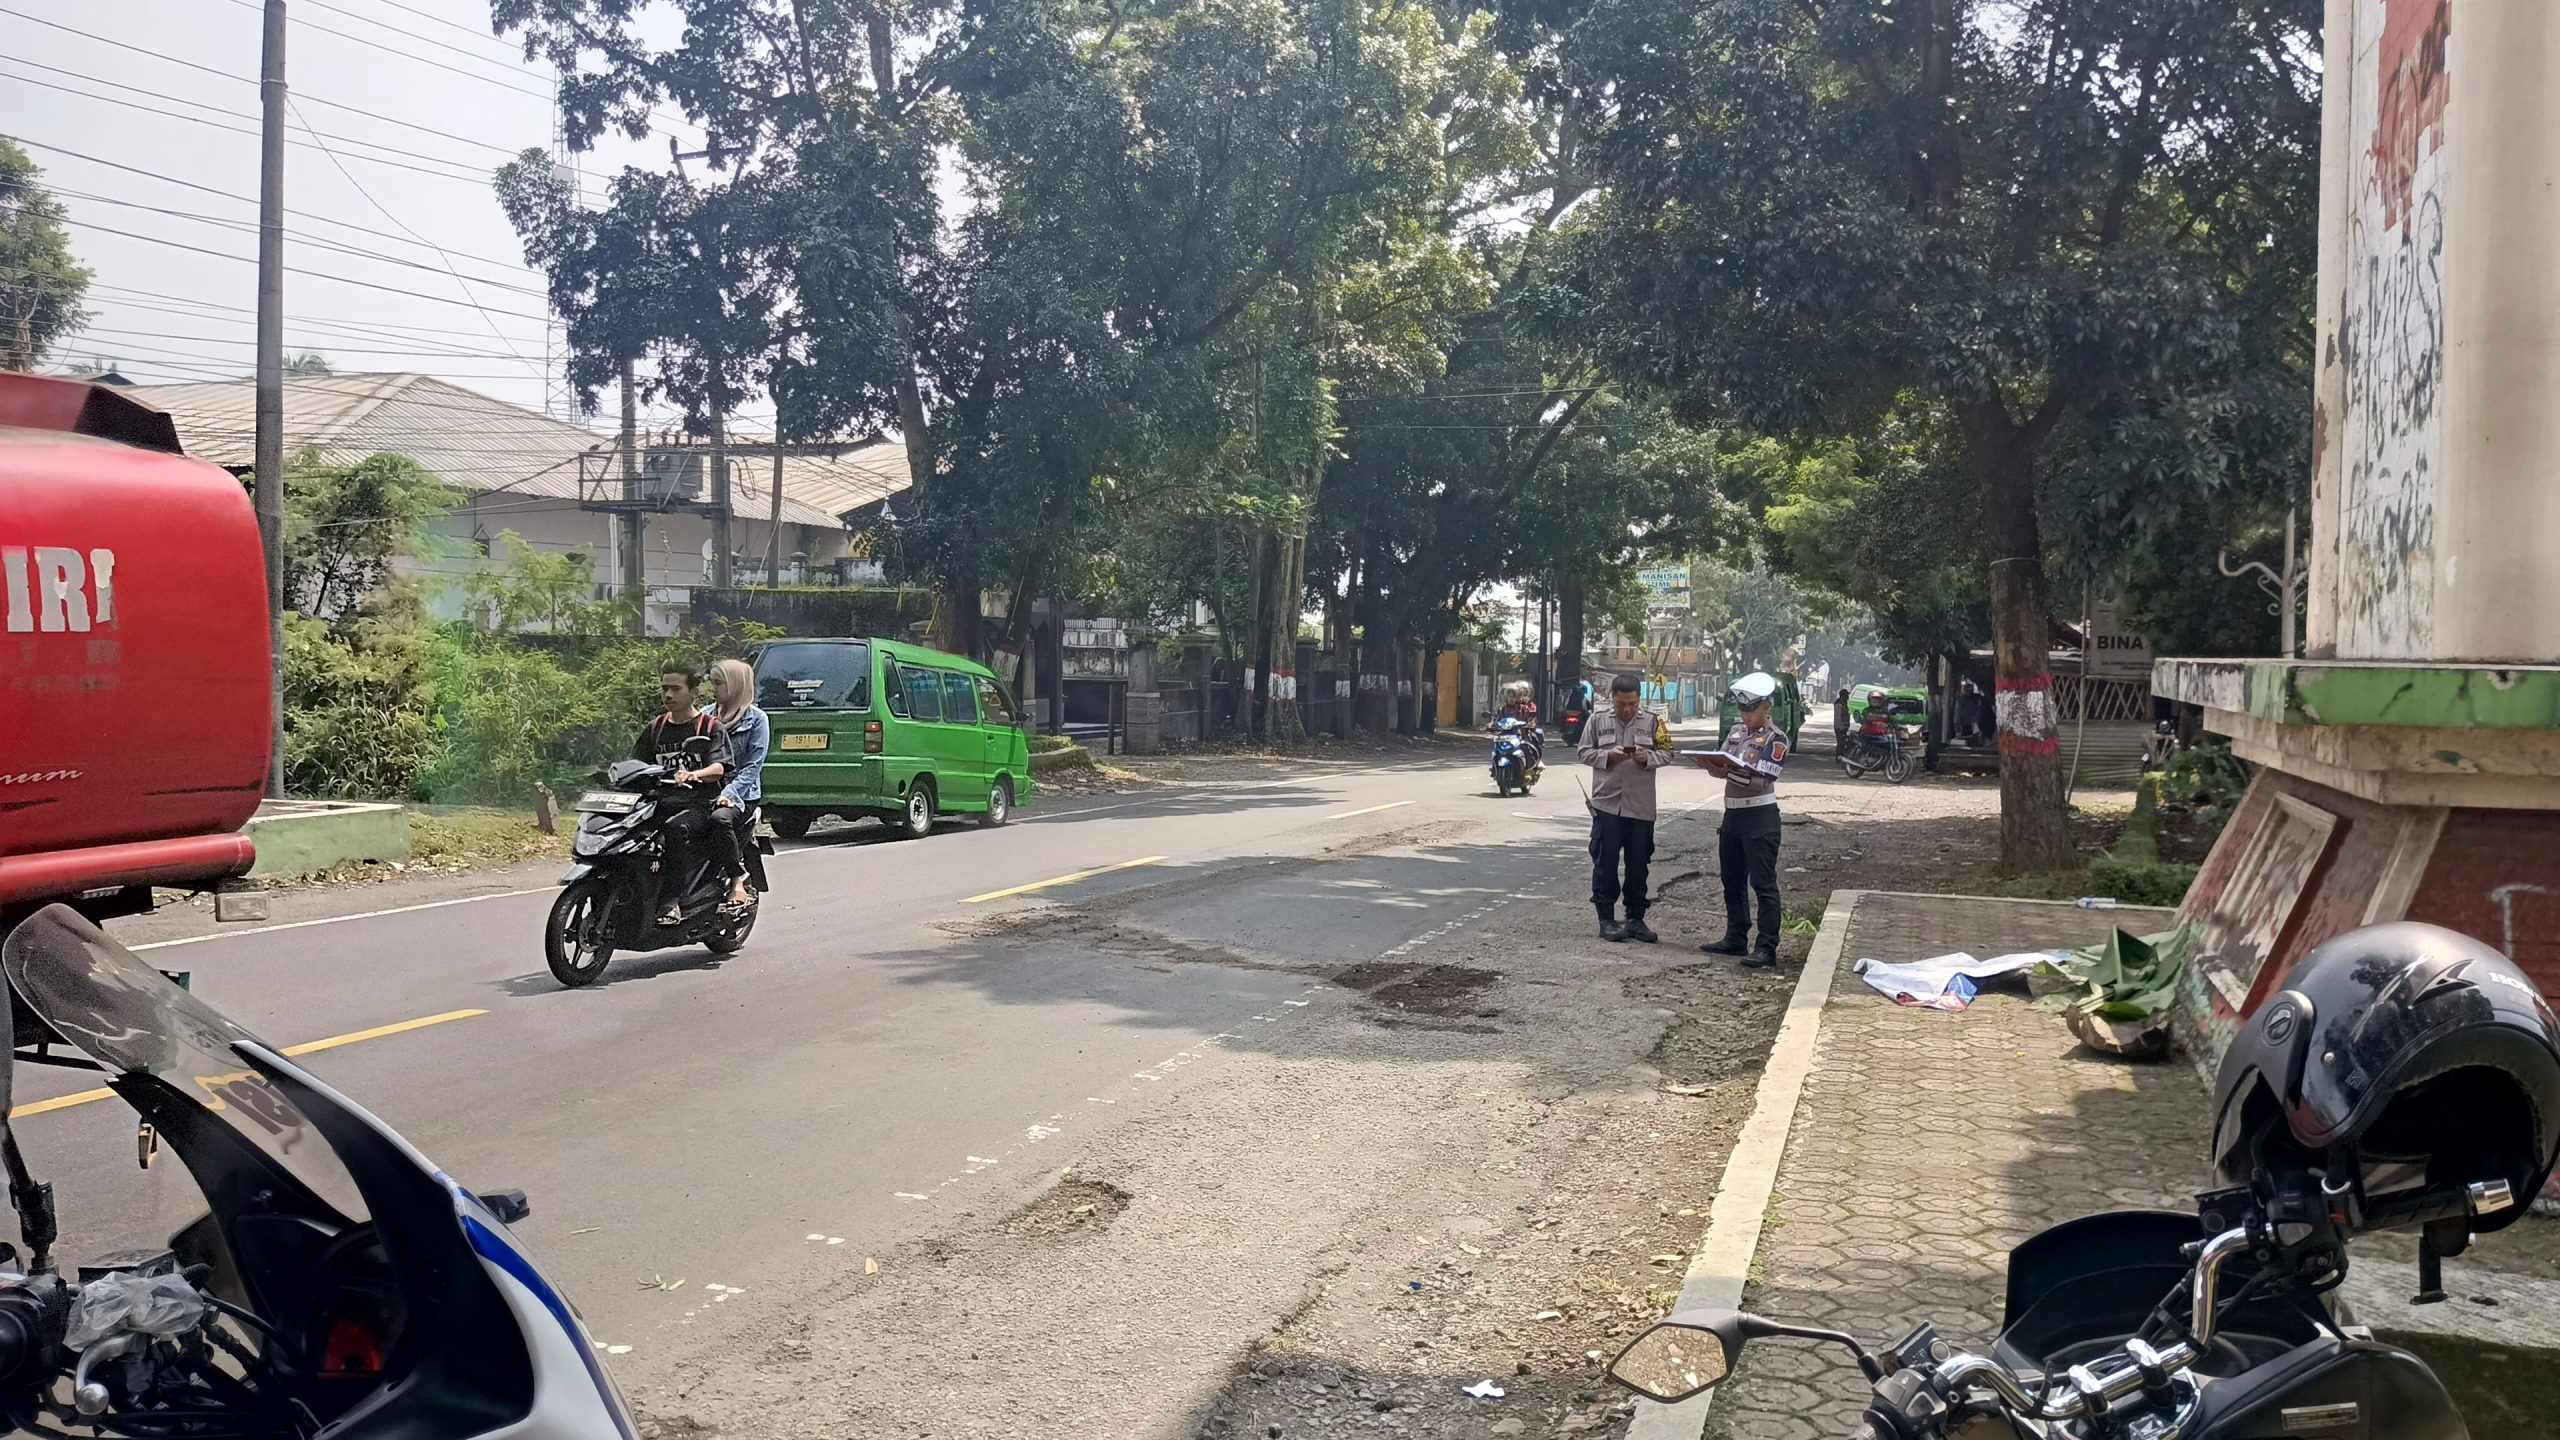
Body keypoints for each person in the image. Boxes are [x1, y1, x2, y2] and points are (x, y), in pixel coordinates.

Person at [1696, 672, 1788, 968]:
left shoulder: (1776, 738)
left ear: (1766, 707)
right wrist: (1712, 765)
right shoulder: (1736, 732)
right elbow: (1725, 759)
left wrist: (1726, 773)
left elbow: (1762, 780)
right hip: (1733, 813)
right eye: (1743, 709)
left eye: (1751, 709)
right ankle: (1736, 937)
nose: (1746, 715)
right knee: (1732, 879)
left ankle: (1766, 947)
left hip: (1760, 815)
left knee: (1763, 883)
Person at [632, 667, 732, 926]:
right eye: (665, 688)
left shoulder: (710, 727)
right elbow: (636, 764)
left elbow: (719, 768)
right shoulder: (656, 728)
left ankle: (672, 901)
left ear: (694, 692)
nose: (668, 694)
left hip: (699, 804)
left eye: (676, 689)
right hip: (659, 802)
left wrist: (694, 774)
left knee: (674, 829)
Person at [1579, 672, 1672, 943]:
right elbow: (1583, 751)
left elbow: (1668, 752)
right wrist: (1608, 756)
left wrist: (1647, 757)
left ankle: (1635, 919)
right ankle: (1606, 919)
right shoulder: (1597, 720)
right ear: (1613, 699)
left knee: (1638, 864)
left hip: (1641, 807)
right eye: (1622, 704)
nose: (1627, 709)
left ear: (1639, 699)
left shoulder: (1654, 722)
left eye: (1632, 703)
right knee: (1605, 863)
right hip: (1607, 804)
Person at [708, 658, 769, 910]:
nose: (713, 689)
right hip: (705, 790)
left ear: (736, 685)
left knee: (719, 819)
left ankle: (737, 878)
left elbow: (753, 766)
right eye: (712, 683)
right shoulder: (705, 716)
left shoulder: (757, 720)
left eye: (719, 683)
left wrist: (729, 793)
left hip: (741, 795)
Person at [1493, 680, 1543, 767]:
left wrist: (1530, 723)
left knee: (1527, 747)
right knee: (1496, 750)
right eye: (1510, 696)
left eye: (1514, 696)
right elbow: (1497, 719)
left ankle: (1531, 766)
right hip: (1505, 735)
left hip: (1521, 734)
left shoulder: (1524, 709)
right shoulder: (1502, 710)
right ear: (1506, 698)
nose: (1512, 699)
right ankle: (1494, 768)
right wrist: (1492, 724)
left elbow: (1530, 718)